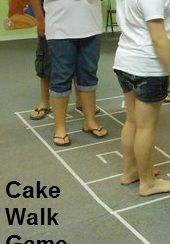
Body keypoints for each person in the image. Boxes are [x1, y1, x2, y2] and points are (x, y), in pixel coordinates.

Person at [114, 0, 170, 196]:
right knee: (146, 126)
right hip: (147, 66)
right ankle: (148, 183)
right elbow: (158, 37)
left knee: (132, 120)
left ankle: (131, 171)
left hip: (125, 61)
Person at [44, 0, 107, 146]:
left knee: (89, 74)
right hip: (60, 28)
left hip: (92, 25)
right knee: (61, 76)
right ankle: (60, 128)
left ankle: (90, 121)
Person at [27, 0, 100, 120]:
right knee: (49, 63)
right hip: (54, 20)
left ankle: (81, 101)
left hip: (85, 21)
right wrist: (40, 19)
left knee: (84, 66)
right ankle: (44, 102)